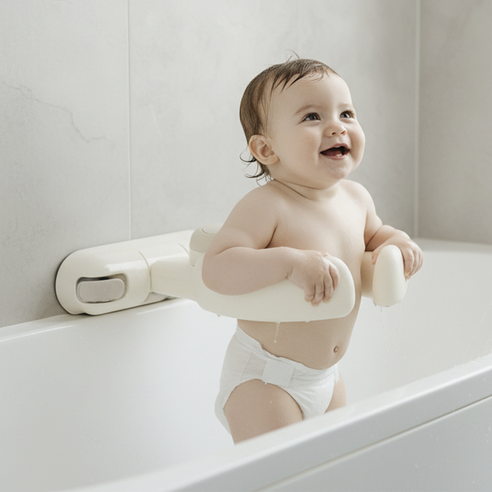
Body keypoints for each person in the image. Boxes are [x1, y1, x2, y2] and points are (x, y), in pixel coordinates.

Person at [202, 58, 423, 443]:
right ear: (266, 148)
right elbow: (216, 267)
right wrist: (288, 263)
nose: (337, 126)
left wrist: (397, 241)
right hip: (267, 380)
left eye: (346, 113)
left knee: (330, 466)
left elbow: (375, 235)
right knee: (279, 471)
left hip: (326, 377)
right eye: (312, 117)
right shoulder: (269, 205)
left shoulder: (356, 198)